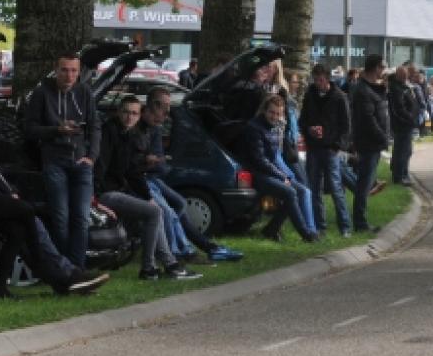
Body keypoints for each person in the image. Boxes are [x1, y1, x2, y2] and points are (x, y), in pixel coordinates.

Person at [0, 89, 111, 298]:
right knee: (27, 212)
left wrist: (8, 190)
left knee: (18, 230)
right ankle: (56, 271)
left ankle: (0, 288)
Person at [96, 96, 201, 279]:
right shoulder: (109, 132)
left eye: (134, 113)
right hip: (106, 193)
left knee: (155, 210)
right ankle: (149, 268)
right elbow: (100, 168)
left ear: (139, 116)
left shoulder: (130, 135)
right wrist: (97, 198)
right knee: (154, 212)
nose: (129, 117)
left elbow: (132, 172)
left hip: (121, 189)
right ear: (119, 112)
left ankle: (169, 264)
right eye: (126, 112)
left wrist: (147, 196)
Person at [138, 90, 242, 262]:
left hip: (152, 177)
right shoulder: (139, 130)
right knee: (166, 211)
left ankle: (205, 246)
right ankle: (180, 252)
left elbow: (160, 165)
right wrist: (150, 163)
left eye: (168, 108)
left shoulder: (155, 130)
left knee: (180, 203)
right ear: (151, 107)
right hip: (141, 179)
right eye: (164, 107)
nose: (166, 113)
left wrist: (157, 164)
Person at [24, 52, 102, 269]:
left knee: (82, 218)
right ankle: (63, 267)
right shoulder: (42, 93)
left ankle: (77, 268)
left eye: (74, 71)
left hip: (81, 161)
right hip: (54, 161)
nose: (69, 75)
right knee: (60, 218)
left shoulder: (85, 92)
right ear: (56, 70)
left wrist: (92, 156)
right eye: (65, 70)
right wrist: (56, 130)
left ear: (79, 72)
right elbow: (29, 129)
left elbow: (95, 126)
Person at [234, 95, 319, 242]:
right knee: (290, 192)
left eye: (278, 113)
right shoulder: (254, 128)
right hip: (255, 174)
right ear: (264, 111)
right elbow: (260, 160)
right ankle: (307, 235)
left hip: (269, 172)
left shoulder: (274, 127)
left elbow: (273, 158)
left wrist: (282, 175)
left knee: (298, 191)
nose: (274, 116)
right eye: (272, 112)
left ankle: (271, 229)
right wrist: (281, 176)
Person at [300, 64, 353, 236]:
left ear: (328, 79)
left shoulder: (338, 97)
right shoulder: (310, 96)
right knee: (314, 188)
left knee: (336, 188)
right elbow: (303, 120)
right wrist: (309, 130)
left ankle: (345, 226)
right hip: (314, 148)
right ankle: (320, 226)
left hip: (331, 148)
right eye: (315, 80)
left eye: (321, 80)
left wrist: (338, 145)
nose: (318, 83)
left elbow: (346, 125)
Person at [349, 54, 390, 233]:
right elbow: (368, 119)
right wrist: (382, 137)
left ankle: (361, 220)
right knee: (364, 184)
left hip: (373, 142)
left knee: (365, 182)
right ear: (375, 68)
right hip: (368, 143)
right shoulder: (363, 90)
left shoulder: (370, 88)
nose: (384, 70)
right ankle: (360, 223)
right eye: (382, 67)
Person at [388, 64, 419, 186]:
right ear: (399, 75)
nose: (406, 77)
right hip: (403, 124)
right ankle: (400, 175)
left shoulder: (402, 87)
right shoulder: (397, 88)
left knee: (404, 150)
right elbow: (399, 108)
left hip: (406, 123)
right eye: (404, 75)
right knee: (403, 150)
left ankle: (401, 173)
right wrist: (410, 118)